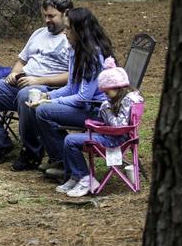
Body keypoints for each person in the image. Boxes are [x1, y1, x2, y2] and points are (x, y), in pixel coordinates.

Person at [0, 0, 73, 167]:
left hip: (48, 91)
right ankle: (0, 144)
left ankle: (31, 153)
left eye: (51, 16)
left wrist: (39, 81)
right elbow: (22, 60)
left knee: (27, 95)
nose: (47, 20)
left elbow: (72, 76)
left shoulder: (71, 39)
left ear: (66, 13)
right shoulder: (39, 33)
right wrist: (14, 73)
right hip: (21, 83)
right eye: (45, 15)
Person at [27, 7, 114, 174]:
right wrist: (47, 95)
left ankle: (65, 164)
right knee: (41, 108)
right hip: (87, 106)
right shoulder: (76, 50)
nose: (65, 32)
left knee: (44, 111)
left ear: (79, 30)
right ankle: (60, 160)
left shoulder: (93, 55)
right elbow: (70, 88)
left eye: (68, 28)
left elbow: (83, 97)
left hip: (98, 111)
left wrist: (50, 102)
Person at [56, 57, 144, 197]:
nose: (106, 96)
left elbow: (118, 126)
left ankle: (85, 179)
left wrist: (105, 110)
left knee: (70, 141)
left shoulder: (127, 100)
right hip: (112, 137)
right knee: (69, 140)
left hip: (115, 141)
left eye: (107, 92)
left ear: (117, 87)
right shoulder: (123, 99)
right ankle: (77, 176)